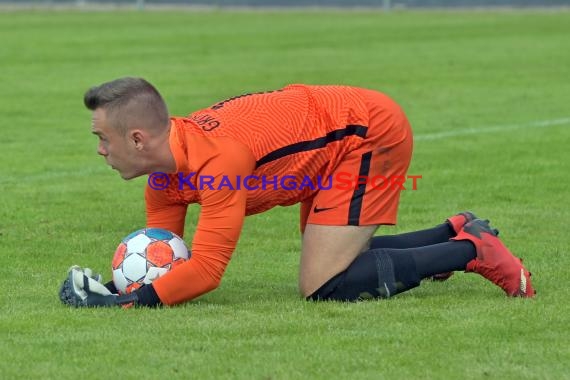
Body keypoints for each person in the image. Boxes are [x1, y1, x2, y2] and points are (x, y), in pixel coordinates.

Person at [59, 77, 535, 308]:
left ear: (138, 139)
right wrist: (123, 284)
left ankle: (471, 250)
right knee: (332, 257)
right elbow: (170, 256)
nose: (101, 150)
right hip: (329, 144)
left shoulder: (216, 162)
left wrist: (121, 305)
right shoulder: (165, 174)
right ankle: (453, 230)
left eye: (103, 138)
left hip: (365, 131)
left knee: (324, 283)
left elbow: (204, 271)